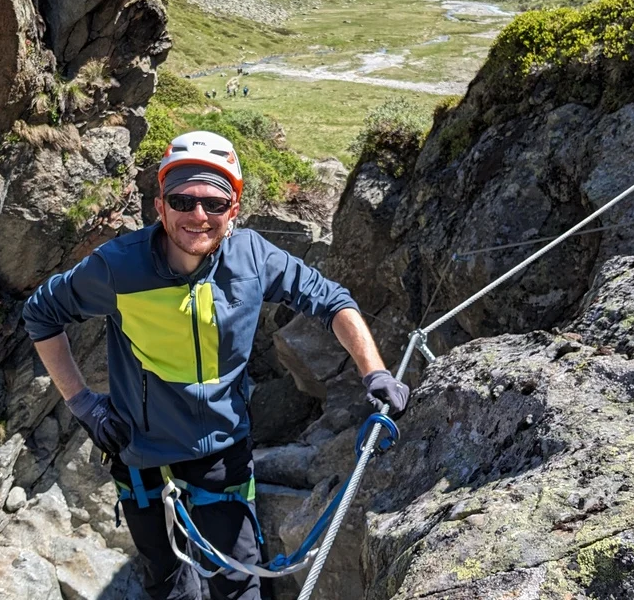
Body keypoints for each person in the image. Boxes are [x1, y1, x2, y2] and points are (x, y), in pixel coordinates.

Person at [22, 131, 409, 600]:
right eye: (182, 200)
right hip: (138, 452)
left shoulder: (252, 257)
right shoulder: (118, 268)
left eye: (214, 203)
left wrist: (375, 372)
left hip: (221, 451)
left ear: (234, 210)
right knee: (166, 583)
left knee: (239, 581)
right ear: (160, 207)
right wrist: (83, 404)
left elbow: (332, 301)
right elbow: (42, 313)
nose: (198, 215)